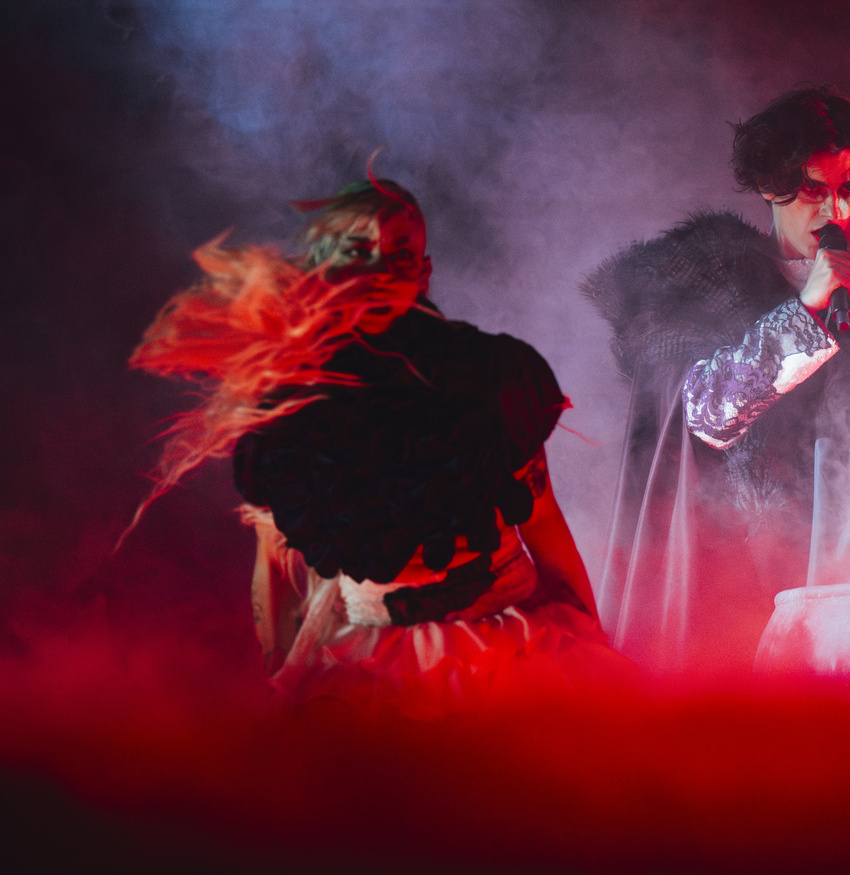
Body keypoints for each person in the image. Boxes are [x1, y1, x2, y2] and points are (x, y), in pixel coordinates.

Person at [131, 177, 626, 714]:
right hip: (371, 661)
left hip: (512, 647)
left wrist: (590, 640)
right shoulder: (286, 405)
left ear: (423, 272)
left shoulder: (491, 376)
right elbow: (275, 562)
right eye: (357, 252)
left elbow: (543, 519)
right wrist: (277, 674)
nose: (379, 271)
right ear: (324, 268)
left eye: (400, 254)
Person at [584, 0, 850, 674]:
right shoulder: (702, 277)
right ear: (769, 184)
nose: (836, 208)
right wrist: (808, 306)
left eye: (849, 188)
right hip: (755, 564)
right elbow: (704, 412)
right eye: (814, 189)